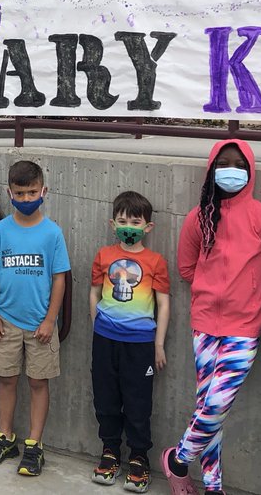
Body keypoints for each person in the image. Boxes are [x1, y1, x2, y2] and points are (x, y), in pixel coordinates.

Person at [162, 139, 261, 495]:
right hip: (204, 323)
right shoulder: (197, 218)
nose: (231, 170)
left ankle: (177, 459)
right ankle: (213, 486)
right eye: (223, 163)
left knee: (216, 404)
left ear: (250, 171)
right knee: (208, 408)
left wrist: (251, 290)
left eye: (239, 164)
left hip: (244, 327)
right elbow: (186, 267)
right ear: (211, 170)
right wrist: (212, 285)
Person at [0, 160, 69, 478]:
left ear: (44, 191)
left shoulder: (52, 233)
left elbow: (60, 279)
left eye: (32, 192)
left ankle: (35, 443)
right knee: (6, 379)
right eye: (20, 193)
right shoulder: (2, 230)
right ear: (9, 192)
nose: (27, 198)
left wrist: (50, 320)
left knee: (38, 382)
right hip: (6, 321)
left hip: (40, 324)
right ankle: (6, 437)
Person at [88, 190, 170, 492]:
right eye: (122, 221)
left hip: (140, 345)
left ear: (147, 227)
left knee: (137, 401)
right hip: (105, 340)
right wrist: (97, 326)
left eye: (135, 221)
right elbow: (94, 293)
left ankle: (138, 457)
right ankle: (110, 451)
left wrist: (158, 344)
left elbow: (163, 304)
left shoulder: (156, 262)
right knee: (106, 398)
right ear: (113, 224)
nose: (128, 226)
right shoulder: (103, 256)